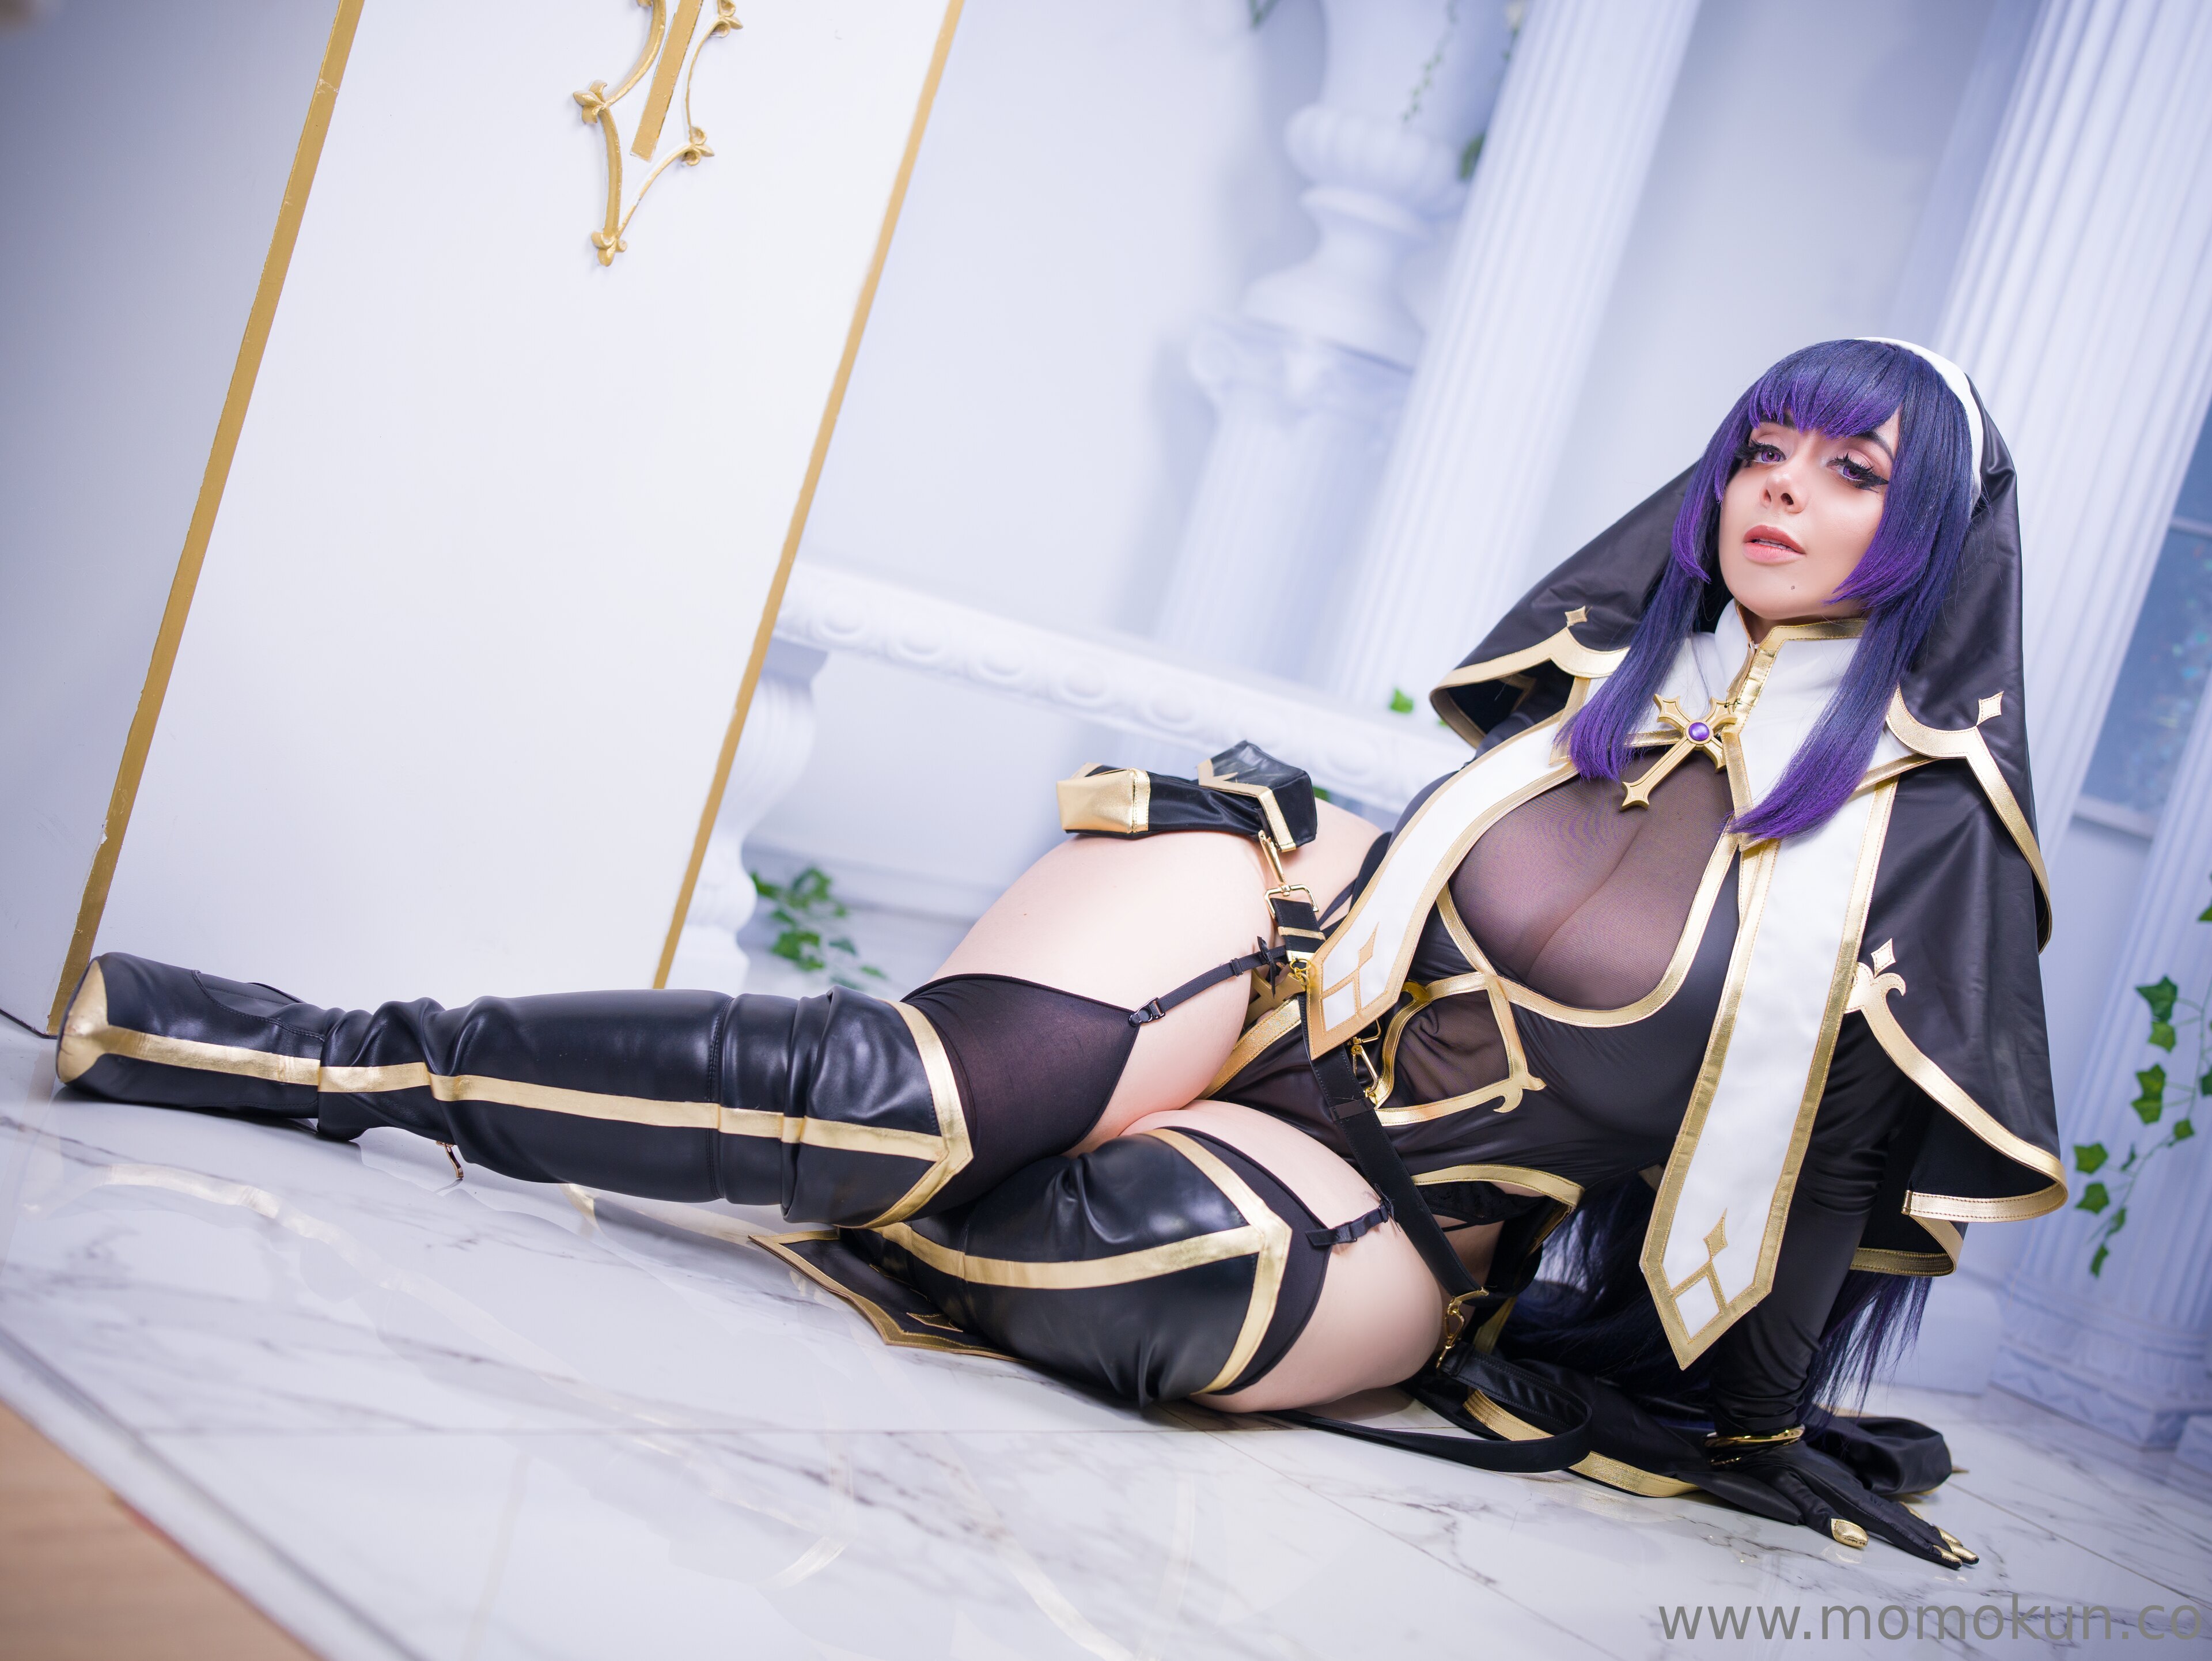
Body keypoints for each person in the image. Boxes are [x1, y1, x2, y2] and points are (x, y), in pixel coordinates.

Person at [55, 339, 2060, 1568]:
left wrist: (1756, 1421)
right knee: (890, 1094)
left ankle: (930, 1153)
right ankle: (315, 1050)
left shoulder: (1917, 843)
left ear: (1931, 537)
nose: (1781, 496)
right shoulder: (1605, 685)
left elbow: (1829, 1164)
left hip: (1405, 1198)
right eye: (1764, 452)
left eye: (1850, 473)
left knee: (1145, 1264)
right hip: (1281, 949)